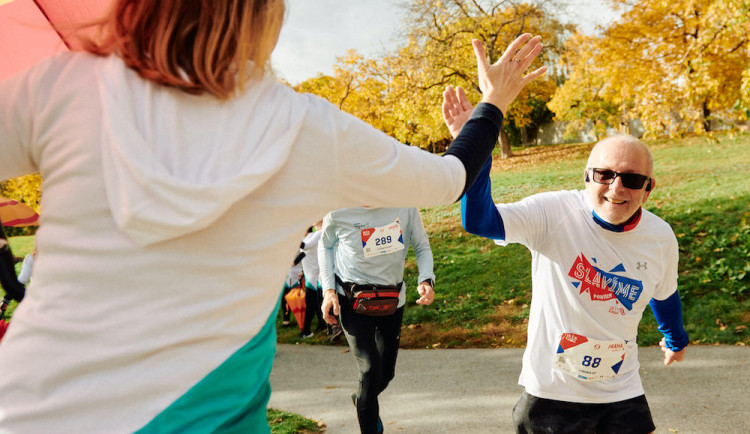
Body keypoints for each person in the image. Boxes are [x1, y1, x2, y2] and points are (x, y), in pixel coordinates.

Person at [0, 0, 546, 430]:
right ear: (264, 16)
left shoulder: (69, 85)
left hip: (28, 408)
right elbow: (450, 180)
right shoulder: (309, 130)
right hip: (207, 418)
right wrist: (493, 101)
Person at [444, 91, 688, 434]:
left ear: (648, 188)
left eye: (632, 179)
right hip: (551, 394)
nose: (616, 189)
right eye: (604, 174)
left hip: (621, 390)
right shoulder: (552, 213)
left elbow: (665, 296)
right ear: (586, 176)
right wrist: (477, 149)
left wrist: (675, 339)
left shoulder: (660, 237)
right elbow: (480, 221)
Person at [319, 207, 435, 434]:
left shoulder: (405, 204)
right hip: (352, 300)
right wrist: (328, 290)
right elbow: (325, 245)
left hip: (392, 300)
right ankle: (368, 409)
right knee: (370, 370)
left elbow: (421, 246)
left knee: (385, 374)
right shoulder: (338, 210)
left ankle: (362, 397)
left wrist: (426, 279)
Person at [294, 221, 331, 339]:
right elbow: (304, 254)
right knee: (314, 304)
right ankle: (321, 325)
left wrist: (292, 238)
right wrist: (296, 266)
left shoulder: (319, 234)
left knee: (311, 304)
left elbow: (305, 246)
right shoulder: (309, 236)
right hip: (309, 274)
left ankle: (306, 331)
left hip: (316, 275)